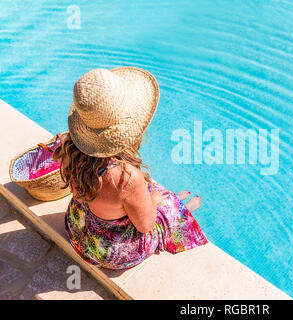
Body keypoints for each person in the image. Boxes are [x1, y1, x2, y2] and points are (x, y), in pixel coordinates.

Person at [52, 67, 208, 269]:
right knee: (162, 198)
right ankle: (178, 212)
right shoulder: (126, 178)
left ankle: (168, 204)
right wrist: (153, 200)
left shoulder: (68, 150)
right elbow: (145, 226)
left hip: (78, 229)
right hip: (107, 252)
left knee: (146, 188)